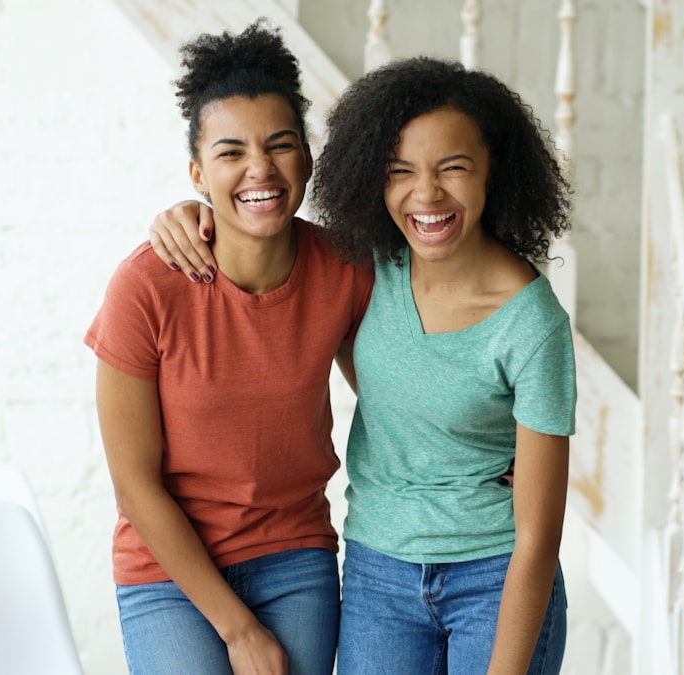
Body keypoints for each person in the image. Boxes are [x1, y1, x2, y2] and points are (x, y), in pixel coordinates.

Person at [152, 57, 575, 675]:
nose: (425, 194)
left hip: (496, 576)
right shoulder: (368, 267)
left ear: (494, 173)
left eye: (452, 168)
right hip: (379, 572)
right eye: (400, 171)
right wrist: (187, 214)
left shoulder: (532, 325)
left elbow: (537, 539)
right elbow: (265, 231)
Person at [85, 20, 372, 675]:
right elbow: (134, 484)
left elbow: (401, 389)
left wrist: (503, 451)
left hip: (294, 553)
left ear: (307, 155)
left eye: (280, 144)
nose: (260, 168)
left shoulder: (344, 270)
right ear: (197, 172)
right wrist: (238, 629)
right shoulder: (146, 286)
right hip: (167, 569)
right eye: (231, 151)